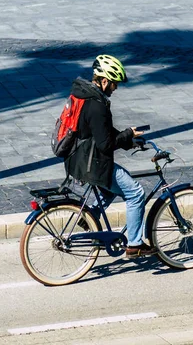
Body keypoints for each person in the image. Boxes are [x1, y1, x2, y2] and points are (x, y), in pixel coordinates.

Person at [64, 54, 158, 258]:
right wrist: (127, 134)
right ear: (104, 80)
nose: (115, 88)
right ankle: (135, 244)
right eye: (114, 83)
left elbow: (101, 131)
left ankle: (89, 217)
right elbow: (105, 144)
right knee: (135, 193)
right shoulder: (97, 105)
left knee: (112, 188)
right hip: (94, 163)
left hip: (79, 158)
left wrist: (128, 139)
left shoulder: (83, 95)